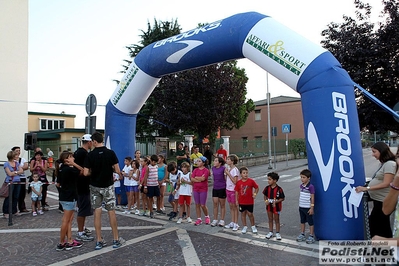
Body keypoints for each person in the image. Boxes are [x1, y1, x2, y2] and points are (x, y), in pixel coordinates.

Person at [83, 132, 123, 250]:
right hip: (108, 186)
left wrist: (93, 172)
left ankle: (99, 240)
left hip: (95, 186)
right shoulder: (110, 153)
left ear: (94, 141)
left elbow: (85, 173)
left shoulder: (90, 155)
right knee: (111, 212)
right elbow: (117, 170)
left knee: (97, 212)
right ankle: (115, 239)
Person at [355, 141, 396, 238]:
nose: (373, 155)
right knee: (381, 226)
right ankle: (385, 247)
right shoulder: (383, 164)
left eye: (374, 152)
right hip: (378, 199)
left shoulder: (390, 164)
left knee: (377, 225)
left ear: (381, 151)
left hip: (384, 200)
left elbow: (386, 183)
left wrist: (367, 188)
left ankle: (384, 247)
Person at [55, 151, 83, 251]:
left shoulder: (61, 169)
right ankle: (62, 242)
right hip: (69, 197)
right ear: (67, 159)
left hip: (64, 196)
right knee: (66, 221)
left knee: (69, 220)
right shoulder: (69, 170)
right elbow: (82, 171)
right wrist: (74, 164)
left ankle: (69, 240)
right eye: (71, 157)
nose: (73, 159)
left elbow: (58, 184)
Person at [73, 134, 94, 242]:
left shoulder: (77, 152)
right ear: (89, 142)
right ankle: (80, 232)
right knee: (82, 209)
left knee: (83, 208)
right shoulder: (84, 154)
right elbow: (83, 171)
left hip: (79, 184)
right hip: (82, 185)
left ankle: (83, 228)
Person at [235, 166, 259, 234]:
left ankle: (253, 226)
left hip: (249, 201)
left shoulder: (251, 181)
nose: (245, 174)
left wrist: (255, 194)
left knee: (250, 214)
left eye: (246, 173)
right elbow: (236, 191)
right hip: (241, 201)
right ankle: (244, 226)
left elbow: (257, 187)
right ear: (241, 174)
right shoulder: (238, 182)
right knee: (243, 213)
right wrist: (236, 200)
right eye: (244, 173)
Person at [263, 172, 285, 240]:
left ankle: (277, 233)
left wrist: (276, 202)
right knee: (270, 219)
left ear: (275, 180)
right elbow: (265, 196)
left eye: (270, 179)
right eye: (268, 179)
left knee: (277, 220)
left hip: (276, 207)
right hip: (269, 206)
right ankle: (270, 232)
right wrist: (266, 201)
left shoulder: (279, 189)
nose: (268, 181)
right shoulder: (267, 188)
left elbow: (282, 198)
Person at [296, 169, 315, 244]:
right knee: (302, 221)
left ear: (308, 178)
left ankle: (311, 235)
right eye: (301, 177)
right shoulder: (301, 186)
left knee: (310, 221)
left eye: (304, 177)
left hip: (307, 207)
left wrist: (312, 207)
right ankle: (302, 233)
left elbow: (312, 197)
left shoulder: (311, 187)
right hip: (301, 206)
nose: (302, 179)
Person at [2, 150, 23, 218]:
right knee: (8, 197)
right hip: (10, 181)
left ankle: (14, 210)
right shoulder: (6, 164)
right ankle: (6, 211)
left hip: (17, 181)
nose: (17, 156)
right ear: (12, 156)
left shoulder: (16, 163)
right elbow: (9, 173)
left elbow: (21, 171)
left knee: (16, 196)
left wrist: (15, 172)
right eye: (16, 155)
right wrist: (17, 172)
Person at [191, 156, 211, 226]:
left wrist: (197, 178)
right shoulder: (195, 170)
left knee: (203, 205)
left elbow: (203, 179)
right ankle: (199, 218)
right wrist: (198, 179)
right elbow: (192, 179)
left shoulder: (206, 170)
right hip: (196, 189)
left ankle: (207, 216)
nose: (197, 162)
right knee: (197, 204)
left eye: (199, 161)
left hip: (203, 189)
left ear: (203, 163)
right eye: (197, 161)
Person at [11, 146, 29, 213]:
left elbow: (26, 166)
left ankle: (22, 207)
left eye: (19, 150)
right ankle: (14, 209)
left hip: (22, 178)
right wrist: (21, 168)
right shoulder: (12, 160)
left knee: (22, 193)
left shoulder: (22, 159)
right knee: (15, 194)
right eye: (17, 150)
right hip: (15, 178)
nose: (18, 152)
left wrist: (19, 168)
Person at [224, 154, 240, 231]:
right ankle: (232, 221)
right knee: (231, 207)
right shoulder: (229, 169)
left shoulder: (235, 170)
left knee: (235, 207)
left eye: (228, 159)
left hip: (233, 190)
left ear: (232, 161)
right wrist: (226, 173)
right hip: (228, 189)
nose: (227, 160)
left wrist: (228, 174)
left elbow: (235, 181)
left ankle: (236, 223)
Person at [210, 157, 227, 227]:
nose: (214, 162)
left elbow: (226, 178)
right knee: (215, 204)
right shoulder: (213, 168)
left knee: (222, 205)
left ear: (220, 163)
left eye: (216, 161)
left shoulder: (223, 169)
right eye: (214, 160)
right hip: (215, 188)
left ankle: (222, 220)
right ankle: (215, 219)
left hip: (222, 188)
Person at [142, 154, 160, 219]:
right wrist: (145, 186)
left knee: (158, 196)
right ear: (151, 161)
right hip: (150, 185)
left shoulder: (156, 166)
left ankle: (158, 209)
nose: (155, 163)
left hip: (156, 184)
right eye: (154, 162)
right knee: (150, 198)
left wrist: (158, 182)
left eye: (156, 162)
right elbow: (145, 177)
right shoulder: (148, 167)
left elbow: (156, 175)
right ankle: (151, 211)